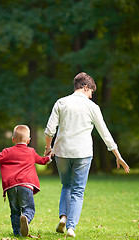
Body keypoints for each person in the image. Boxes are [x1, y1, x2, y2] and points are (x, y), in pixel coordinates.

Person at [44, 72, 130, 237]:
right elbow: (105, 133)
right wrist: (117, 155)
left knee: (66, 186)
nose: (91, 96)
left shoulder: (61, 102)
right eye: (91, 92)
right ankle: (71, 227)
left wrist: (49, 148)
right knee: (78, 190)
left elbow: (49, 130)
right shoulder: (92, 107)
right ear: (85, 87)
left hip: (62, 152)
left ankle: (63, 217)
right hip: (83, 153)